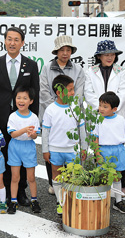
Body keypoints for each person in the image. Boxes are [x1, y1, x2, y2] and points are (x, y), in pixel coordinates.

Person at [0, 27, 39, 206]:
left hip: (23, 118)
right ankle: (8, 191)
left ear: (22, 43)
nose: (12, 43)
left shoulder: (31, 65)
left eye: (16, 39)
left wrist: (34, 120)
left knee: (23, 153)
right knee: (6, 153)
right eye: (9, 39)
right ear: (5, 41)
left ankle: (21, 191)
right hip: (0, 117)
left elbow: (35, 94)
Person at [39, 35, 84, 195]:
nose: (65, 53)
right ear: (56, 51)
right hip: (51, 112)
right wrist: (56, 107)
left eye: (68, 50)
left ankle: (69, 182)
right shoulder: (46, 68)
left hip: (72, 113)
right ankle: (54, 183)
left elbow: (79, 91)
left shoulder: (78, 69)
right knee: (52, 147)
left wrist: (69, 106)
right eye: (62, 50)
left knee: (71, 146)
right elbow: (44, 90)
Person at [84, 40, 125, 196]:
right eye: (106, 54)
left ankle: (121, 185)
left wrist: (112, 108)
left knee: (118, 152)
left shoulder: (121, 71)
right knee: (99, 149)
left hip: (116, 114)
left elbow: (123, 93)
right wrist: (100, 108)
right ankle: (102, 184)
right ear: (99, 56)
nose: (109, 57)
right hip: (98, 114)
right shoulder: (91, 71)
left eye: (112, 54)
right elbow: (88, 92)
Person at [42, 75, 86, 215]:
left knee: (74, 176)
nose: (73, 92)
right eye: (70, 89)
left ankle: (72, 201)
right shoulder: (50, 109)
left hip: (72, 149)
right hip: (55, 149)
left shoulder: (75, 107)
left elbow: (82, 129)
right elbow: (45, 132)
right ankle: (60, 201)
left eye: (73, 89)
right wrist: (45, 149)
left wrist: (83, 147)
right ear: (59, 92)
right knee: (57, 175)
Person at [92, 92, 125, 214]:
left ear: (115, 109)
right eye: (100, 105)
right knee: (103, 177)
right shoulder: (97, 119)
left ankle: (118, 201)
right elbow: (95, 138)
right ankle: (102, 200)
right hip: (103, 150)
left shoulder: (120, 119)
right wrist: (97, 153)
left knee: (117, 176)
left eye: (105, 106)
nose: (101, 108)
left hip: (118, 150)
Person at [7, 86, 41, 214]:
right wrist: (24, 130)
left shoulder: (34, 117)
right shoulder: (12, 116)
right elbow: (13, 134)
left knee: (31, 177)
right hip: (15, 146)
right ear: (15, 99)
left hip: (28, 147)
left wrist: (31, 134)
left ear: (31, 101)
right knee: (15, 177)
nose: (21, 101)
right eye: (18, 97)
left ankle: (34, 200)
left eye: (25, 98)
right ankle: (13, 201)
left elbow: (35, 135)